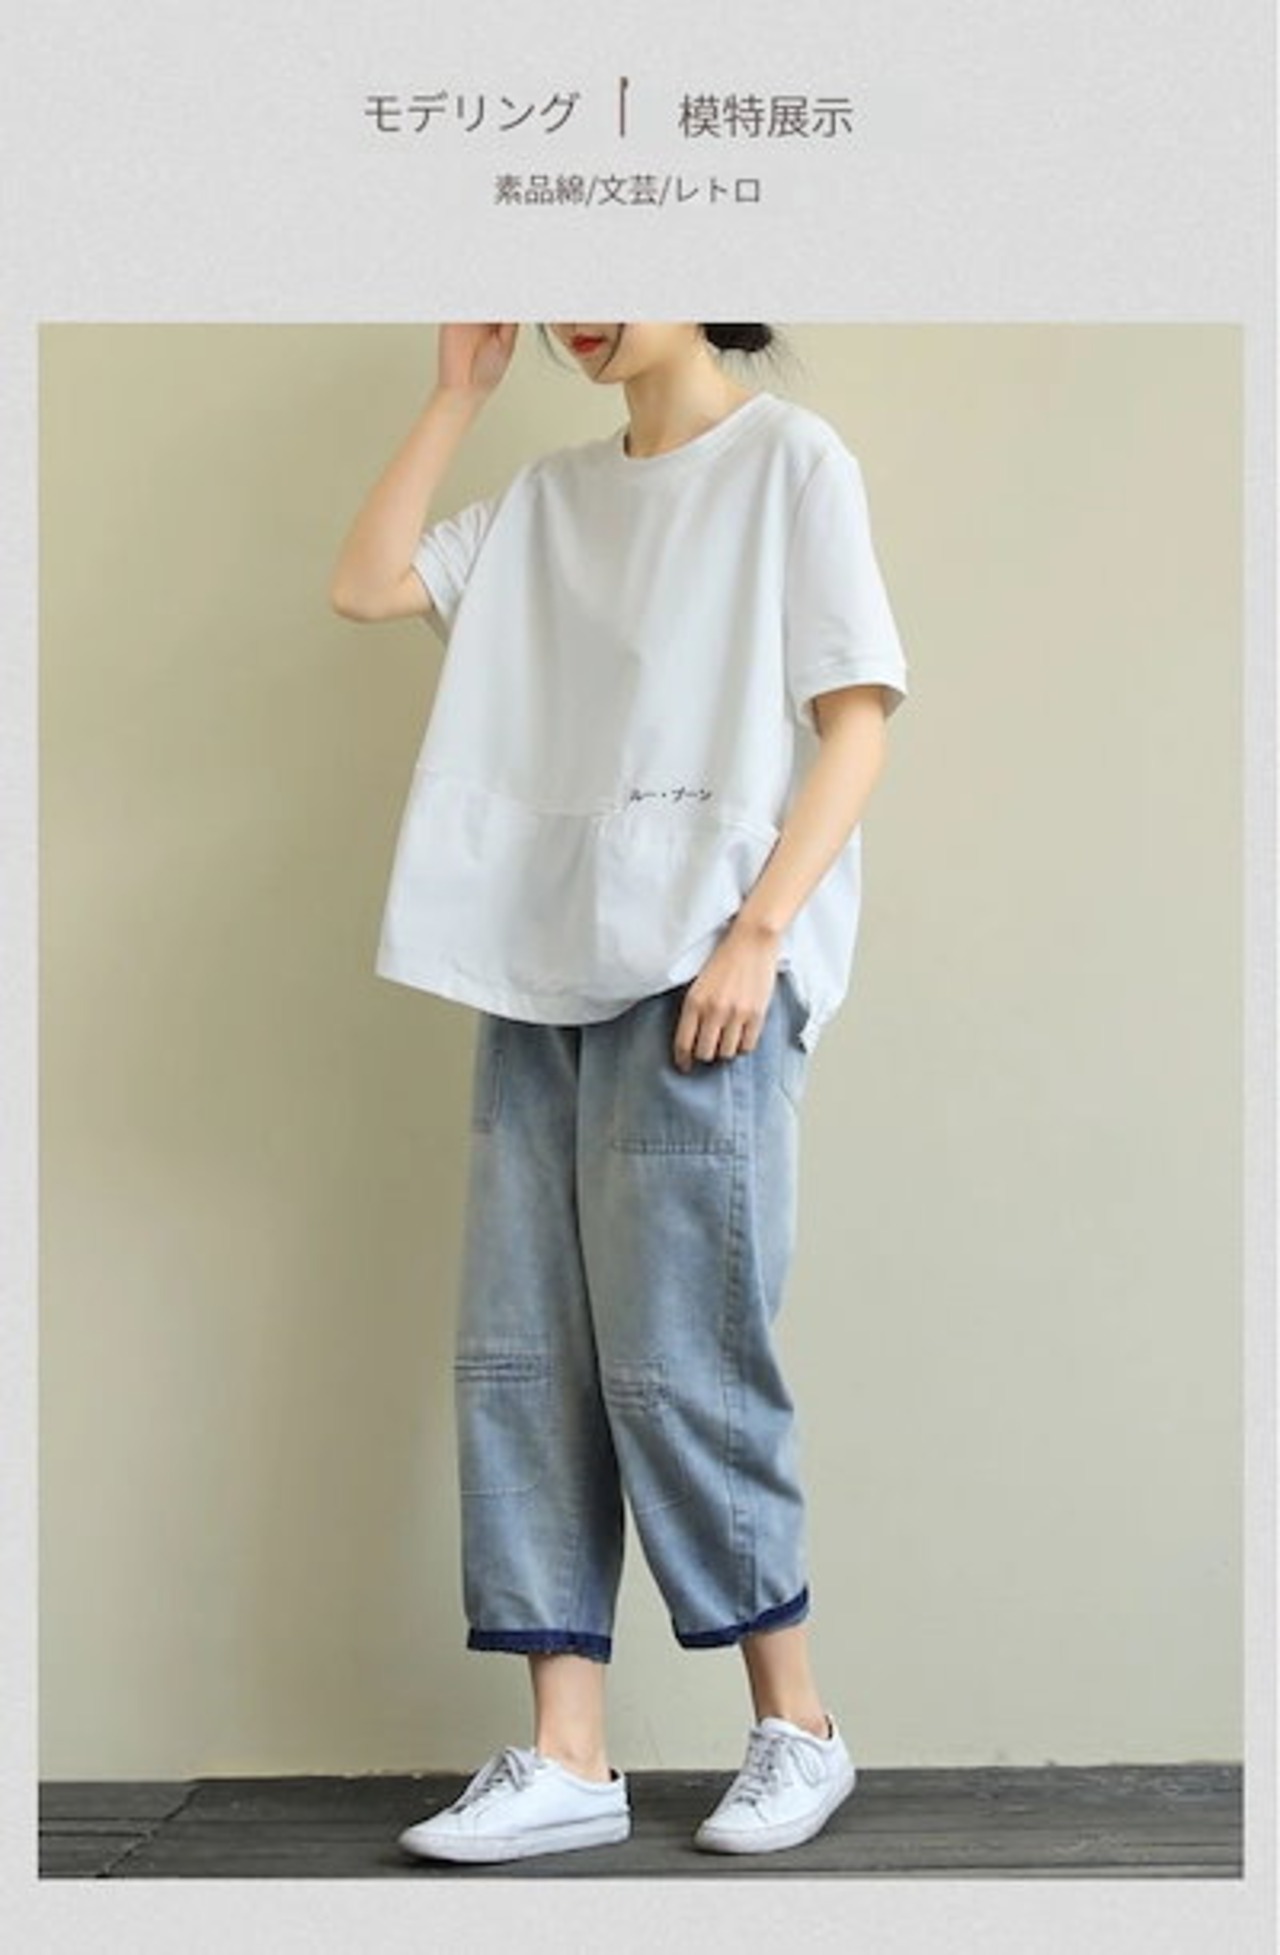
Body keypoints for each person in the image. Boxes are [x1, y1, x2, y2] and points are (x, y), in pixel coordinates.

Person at [329, 322, 910, 1864]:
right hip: (540, 963)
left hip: (706, 969)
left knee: (685, 1356)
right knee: (521, 1358)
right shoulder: (548, 497)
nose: (574, 310)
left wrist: (759, 937)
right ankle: (567, 1755)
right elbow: (368, 583)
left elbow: (857, 723)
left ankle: (799, 1728)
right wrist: (456, 394)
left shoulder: (790, 463)